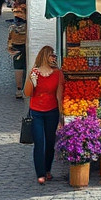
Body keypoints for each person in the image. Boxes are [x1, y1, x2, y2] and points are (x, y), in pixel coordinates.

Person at [24, 46, 65, 184]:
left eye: (54, 55)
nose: (54, 57)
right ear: (45, 56)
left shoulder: (58, 73)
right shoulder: (35, 72)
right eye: (51, 55)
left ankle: (47, 169)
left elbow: (59, 96)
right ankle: (40, 173)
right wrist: (31, 80)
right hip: (36, 111)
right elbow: (27, 93)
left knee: (50, 142)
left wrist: (61, 116)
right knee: (39, 143)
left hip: (52, 111)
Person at [8, 17, 28, 98]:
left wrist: (10, 49)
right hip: (26, 48)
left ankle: (19, 90)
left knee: (18, 69)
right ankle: (26, 88)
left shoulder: (12, 29)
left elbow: (9, 40)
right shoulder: (28, 28)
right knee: (27, 68)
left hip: (16, 49)